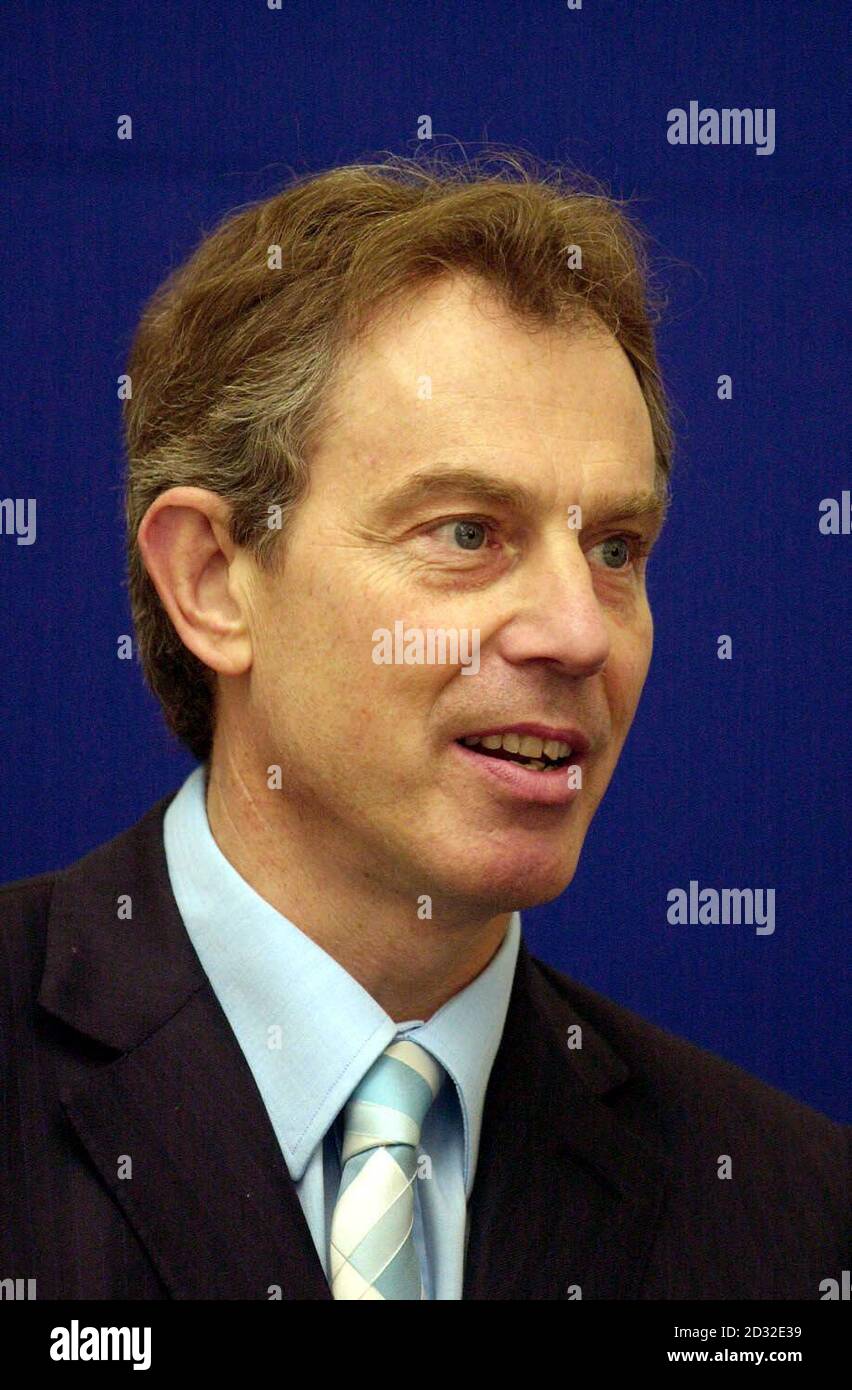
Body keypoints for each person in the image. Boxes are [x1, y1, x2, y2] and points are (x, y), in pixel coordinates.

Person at [2, 154, 847, 1300]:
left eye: (615, 549)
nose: (578, 634)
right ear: (212, 580)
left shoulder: (793, 1222)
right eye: (467, 533)